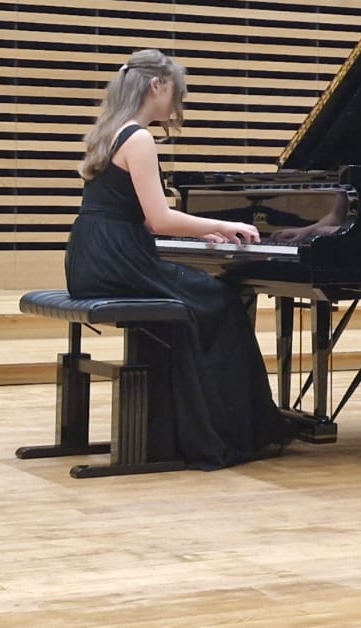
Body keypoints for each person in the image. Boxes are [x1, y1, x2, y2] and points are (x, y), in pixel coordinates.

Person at [65, 49, 292, 469]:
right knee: (222, 299)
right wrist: (222, 225)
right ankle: (227, 431)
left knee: (193, 300)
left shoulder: (109, 131)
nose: (177, 102)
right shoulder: (139, 138)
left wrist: (201, 231)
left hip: (91, 255)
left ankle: (172, 429)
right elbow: (160, 219)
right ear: (157, 85)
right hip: (119, 258)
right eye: (176, 92)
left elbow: (139, 218)